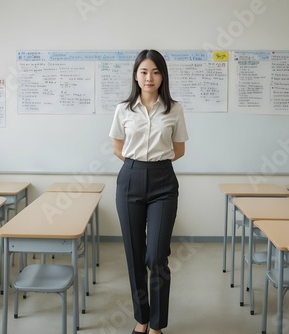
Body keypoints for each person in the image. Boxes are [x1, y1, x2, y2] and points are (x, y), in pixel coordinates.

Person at [109, 49, 189, 334]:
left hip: (163, 181)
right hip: (129, 178)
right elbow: (117, 146)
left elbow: (178, 150)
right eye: (144, 71)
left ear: (162, 76)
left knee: (156, 256)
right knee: (134, 254)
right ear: (135, 75)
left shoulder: (174, 109)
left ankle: (158, 325)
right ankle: (142, 320)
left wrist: (154, 164)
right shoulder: (123, 110)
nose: (149, 77)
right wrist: (136, 165)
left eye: (155, 72)